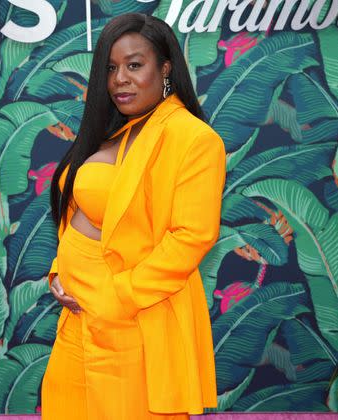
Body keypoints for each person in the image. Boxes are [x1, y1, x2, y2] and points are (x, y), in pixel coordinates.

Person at [41, 12, 226, 420]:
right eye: (111, 68)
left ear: (165, 68)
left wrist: (119, 297)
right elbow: (79, 213)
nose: (119, 79)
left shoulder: (194, 139)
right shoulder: (120, 131)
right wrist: (59, 272)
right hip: (76, 315)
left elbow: (191, 236)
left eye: (134, 65)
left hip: (131, 317)